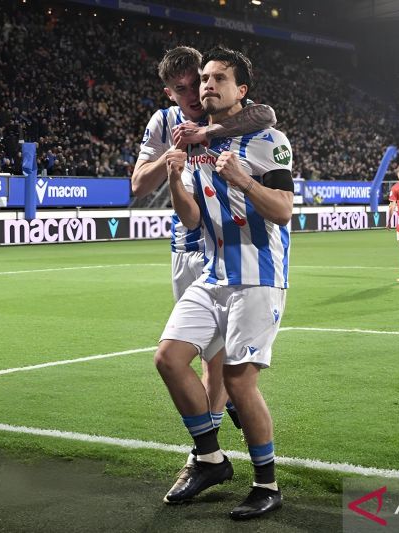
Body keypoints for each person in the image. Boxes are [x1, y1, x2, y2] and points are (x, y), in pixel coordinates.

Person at [159, 46, 293, 520]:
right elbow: (192, 220)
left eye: (220, 79)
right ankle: (211, 457)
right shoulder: (196, 143)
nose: (208, 85)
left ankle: (266, 484)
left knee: (238, 381)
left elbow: (283, 211)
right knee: (169, 358)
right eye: (205, 78)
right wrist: (175, 180)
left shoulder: (268, 140)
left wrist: (244, 181)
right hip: (212, 273)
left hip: (257, 275)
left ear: (242, 90)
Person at [132, 46, 277, 465]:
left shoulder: (226, 113)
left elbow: (265, 114)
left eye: (196, 83)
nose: (192, 94)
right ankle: (217, 430)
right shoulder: (164, 122)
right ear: (169, 93)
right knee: (187, 354)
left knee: (217, 361)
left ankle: (206, 456)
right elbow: (138, 185)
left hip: (228, 250)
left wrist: (206, 135)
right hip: (187, 249)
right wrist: (170, 157)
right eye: (180, 89)